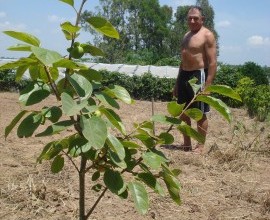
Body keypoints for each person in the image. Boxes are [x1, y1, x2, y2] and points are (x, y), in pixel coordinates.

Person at [173, 5, 217, 154]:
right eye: (189, 18)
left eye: (195, 18)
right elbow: (182, 61)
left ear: (202, 19)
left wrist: (207, 85)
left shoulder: (207, 35)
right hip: (184, 75)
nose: (192, 21)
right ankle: (187, 143)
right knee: (183, 112)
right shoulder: (186, 35)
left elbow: (212, 63)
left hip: (198, 75)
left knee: (199, 113)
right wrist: (177, 83)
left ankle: (201, 145)